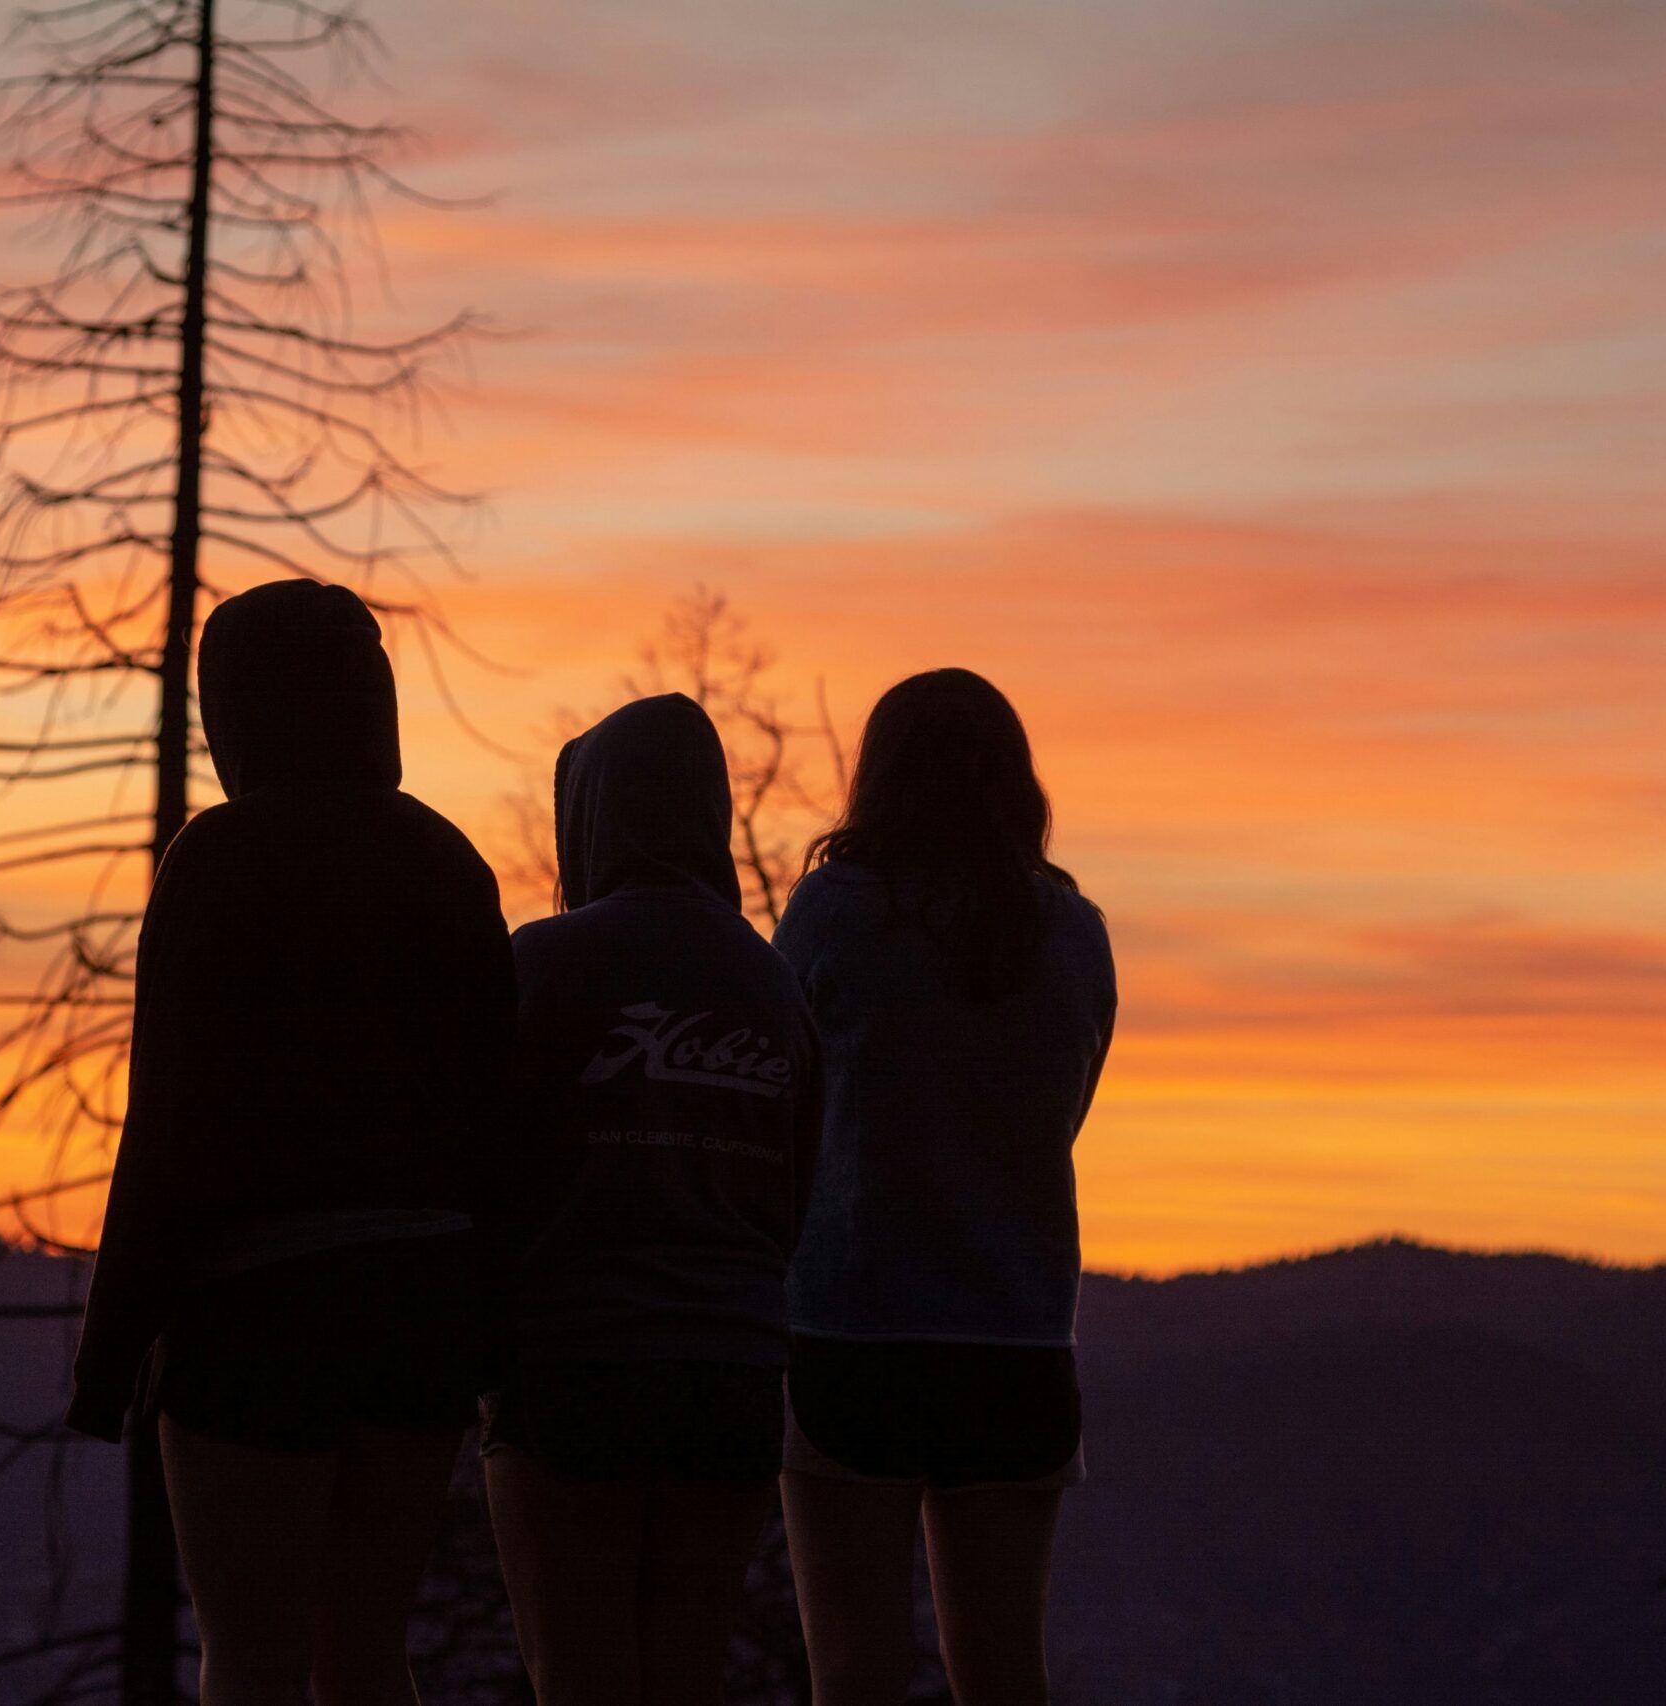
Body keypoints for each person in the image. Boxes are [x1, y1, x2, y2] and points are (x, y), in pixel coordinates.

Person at [64, 580, 516, 1706]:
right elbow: (497, 1113)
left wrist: (108, 1359)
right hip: (420, 1308)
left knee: (251, 1658)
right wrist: (491, 1329)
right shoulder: (448, 861)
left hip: (254, 1316)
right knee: (369, 1647)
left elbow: (168, 1124)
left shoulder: (217, 858)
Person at [773, 669, 1115, 1706]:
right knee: (1006, 1675)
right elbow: (1065, 1106)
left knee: (852, 1674)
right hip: (1016, 1336)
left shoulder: (833, 915)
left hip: (850, 1331)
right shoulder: (1071, 931)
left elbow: (781, 1091)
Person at [485, 692, 822, 1706]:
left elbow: (481, 1164)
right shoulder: (771, 984)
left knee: (575, 1670)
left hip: (569, 1366)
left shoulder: (536, 966)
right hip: (730, 1376)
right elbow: (796, 1190)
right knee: (684, 1672)